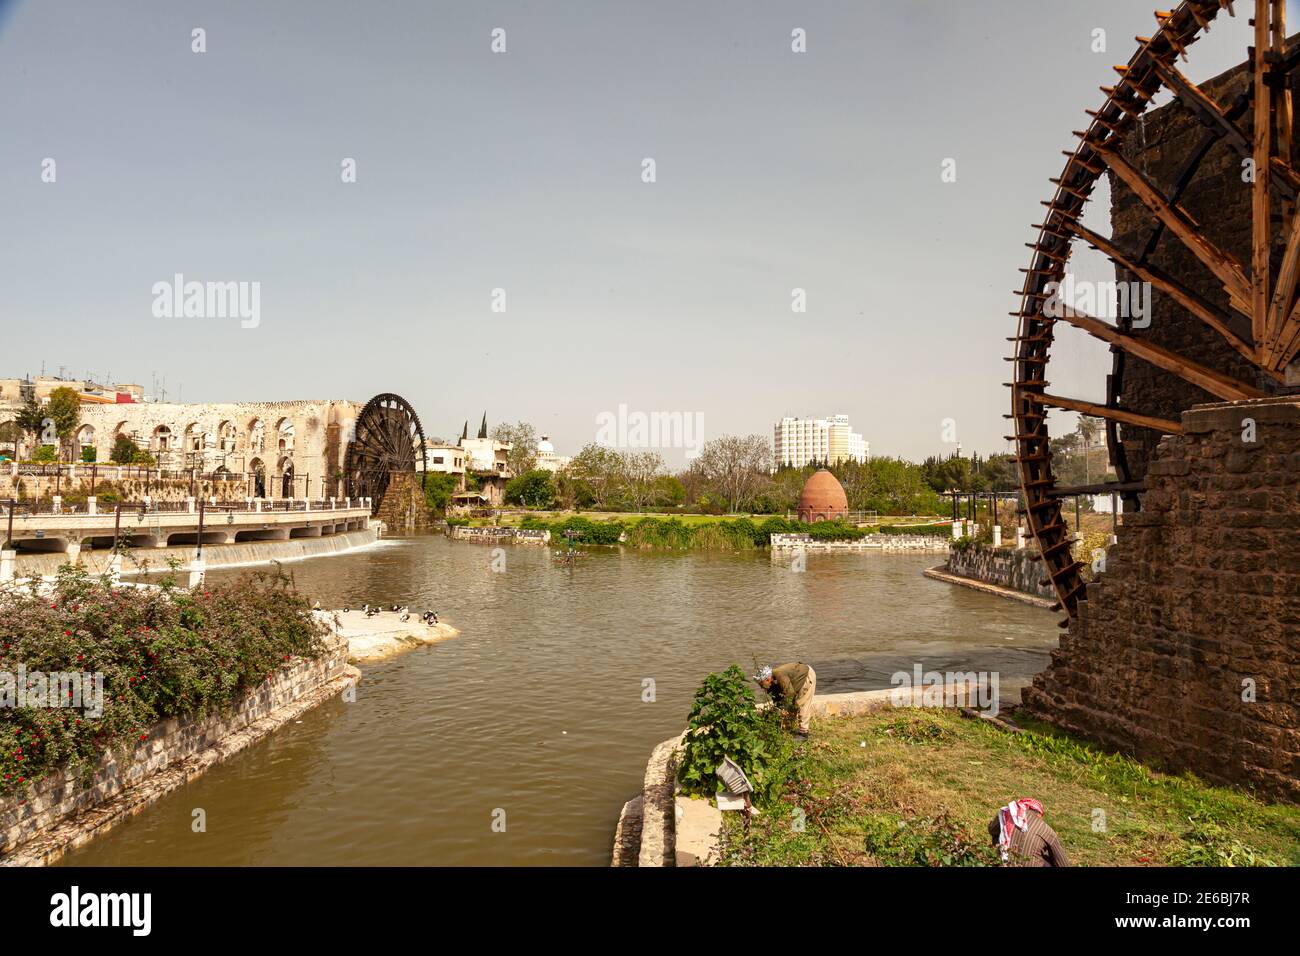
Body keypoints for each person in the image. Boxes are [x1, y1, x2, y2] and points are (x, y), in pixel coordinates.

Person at [988, 798, 1070, 867]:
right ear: (1039, 814)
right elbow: (1062, 863)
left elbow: (991, 830)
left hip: (1001, 861)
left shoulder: (1006, 814)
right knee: (1050, 859)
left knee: (997, 835)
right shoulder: (1046, 830)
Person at [754, 662, 817, 739]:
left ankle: (803, 733)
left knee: (802, 703)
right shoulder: (772, 680)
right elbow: (777, 698)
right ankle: (790, 726)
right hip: (797, 679)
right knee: (791, 704)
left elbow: (789, 693)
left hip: (807, 675)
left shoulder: (779, 674)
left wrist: (783, 706)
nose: (761, 687)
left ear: (767, 679)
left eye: (761, 684)